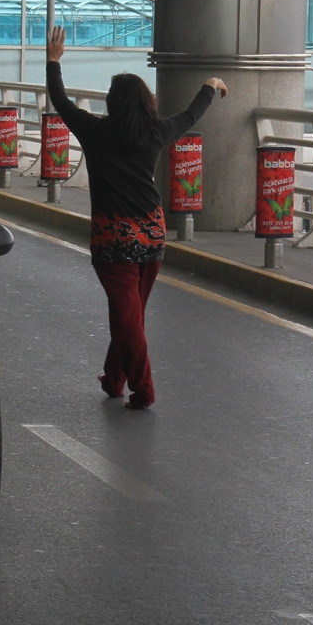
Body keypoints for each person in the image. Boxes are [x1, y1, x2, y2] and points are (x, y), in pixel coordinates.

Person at [45, 25, 226, 410]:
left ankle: (144, 390)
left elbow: (60, 102)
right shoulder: (157, 132)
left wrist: (53, 62)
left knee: (128, 317)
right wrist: (210, 84)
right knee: (130, 314)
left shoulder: (94, 131)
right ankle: (114, 379)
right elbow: (191, 113)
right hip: (152, 237)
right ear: (145, 102)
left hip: (113, 241)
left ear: (112, 103)